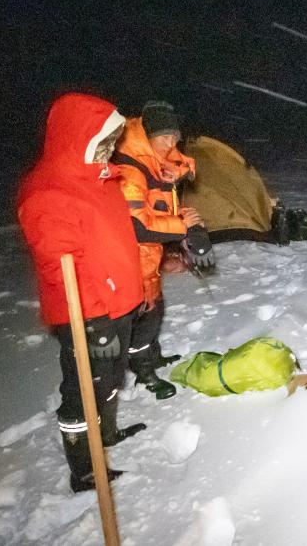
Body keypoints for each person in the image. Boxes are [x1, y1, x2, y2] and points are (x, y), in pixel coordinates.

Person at [17, 91, 147, 492]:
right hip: (88, 314)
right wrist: (94, 324)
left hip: (117, 304)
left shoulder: (100, 179)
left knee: (108, 379)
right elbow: (62, 269)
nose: (111, 149)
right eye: (103, 141)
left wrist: (134, 291)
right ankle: (84, 467)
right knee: (83, 388)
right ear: (77, 138)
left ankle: (104, 435)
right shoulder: (50, 192)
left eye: (113, 140)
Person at [112, 100, 214, 400]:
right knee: (142, 317)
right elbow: (137, 226)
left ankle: (152, 357)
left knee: (154, 311)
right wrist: (182, 226)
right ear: (148, 135)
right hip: (128, 258)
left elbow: (157, 208)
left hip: (148, 256)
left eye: (174, 137)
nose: (171, 144)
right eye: (164, 136)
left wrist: (186, 221)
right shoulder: (131, 171)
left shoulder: (157, 165)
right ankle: (143, 372)